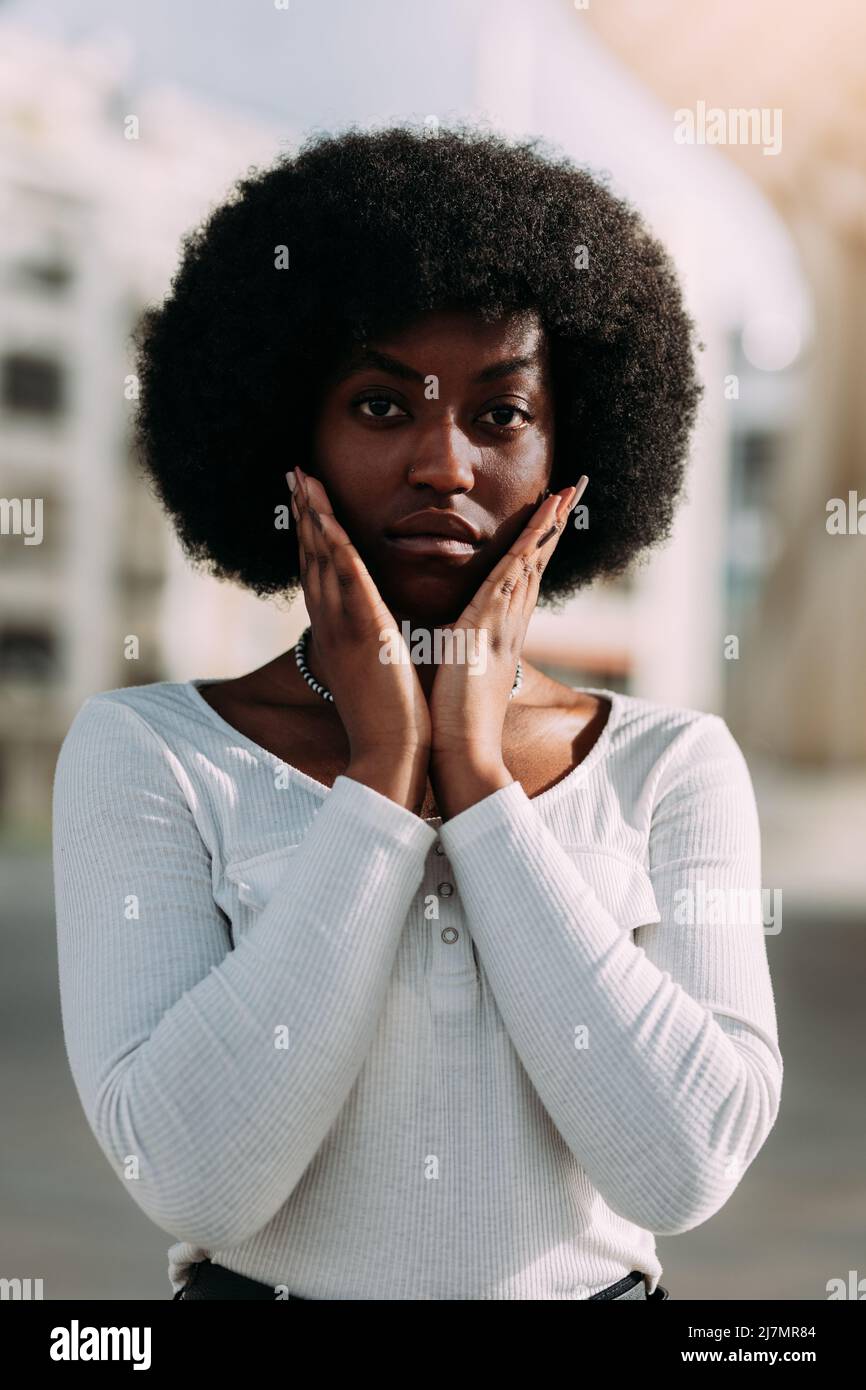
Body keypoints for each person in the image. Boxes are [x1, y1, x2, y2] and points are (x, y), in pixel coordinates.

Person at [52, 126, 782, 1301]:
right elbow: (193, 1180)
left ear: (569, 456)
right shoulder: (149, 756)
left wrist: (478, 785)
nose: (443, 464)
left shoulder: (669, 764)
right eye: (383, 404)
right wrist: (384, 778)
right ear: (289, 438)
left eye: (499, 416)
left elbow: (683, 1168)